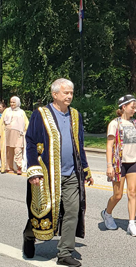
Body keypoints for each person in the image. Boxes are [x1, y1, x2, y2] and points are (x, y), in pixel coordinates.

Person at [23, 78, 93, 267]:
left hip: (71, 174)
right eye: (65, 93)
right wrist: (33, 171)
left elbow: (80, 145)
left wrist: (85, 169)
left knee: (72, 210)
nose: (69, 96)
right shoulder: (41, 114)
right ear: (55, 95)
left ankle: (64, 253)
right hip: (46, 174)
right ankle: (29, 236)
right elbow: (30, 142)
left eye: (71, 92)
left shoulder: (75, 115)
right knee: (43, 211)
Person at [101, 95, 136, 236]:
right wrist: (109, 165)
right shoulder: (115, 124)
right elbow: (109, 146)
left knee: (132, 193)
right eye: (132, 107)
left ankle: (131, 224)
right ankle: (107, 213)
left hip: (133, 161)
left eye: (135, 107)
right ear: (124, 107)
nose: (135, 110)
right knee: (117, 195)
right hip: (119, 163)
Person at [0, 96, 29, 175]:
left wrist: (27, 132)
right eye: (11, 102)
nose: (12, 104)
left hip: (19, 134)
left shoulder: (21, 112)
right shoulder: (7, 111)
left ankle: (19, 167)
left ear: (17, 103)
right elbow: (2, 121)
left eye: (14, 102)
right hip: (7, 134)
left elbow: (26, 123)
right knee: (8, 151)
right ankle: (9, 167)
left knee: (18, 150)